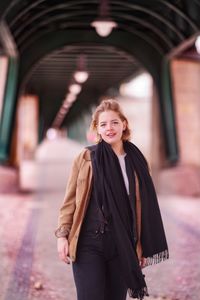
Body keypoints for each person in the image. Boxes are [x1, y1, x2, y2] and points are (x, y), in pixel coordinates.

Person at [55, 99, 169, 300]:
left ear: (124, 124)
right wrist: (62, 235)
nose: (109, 128)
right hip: (87, 243)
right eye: (103, 124)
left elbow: (142, 209)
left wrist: (140, 246)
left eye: (114, 122)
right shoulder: (86, 158)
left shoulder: (138, 162)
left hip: (122, 244)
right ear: (96, 129)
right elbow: (70, 201)